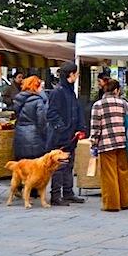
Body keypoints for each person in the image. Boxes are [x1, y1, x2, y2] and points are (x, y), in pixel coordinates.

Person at [89, 79, 128, 212]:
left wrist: (93, 143)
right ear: (117, 90)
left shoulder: (98, 105)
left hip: (106, 142)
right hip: (123, 142)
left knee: (109, 174)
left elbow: (95, 127)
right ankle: (125, 201)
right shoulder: (124, 104)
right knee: (123, 172)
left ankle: (111, 204)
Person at [45, 62, 87, 206]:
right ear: (71, 75)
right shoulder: (58, 91)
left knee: (69, 165)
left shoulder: (69, 91)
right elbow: (51, 113)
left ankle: (68, 193)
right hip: (60, 137)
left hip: (70, 135)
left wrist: (80, 127)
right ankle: (55, 195)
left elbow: (76, 110)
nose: (77, 75)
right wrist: (63, 128)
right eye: (76, 73)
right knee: (59, 166)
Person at [13, 76, 49, 160]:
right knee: (34, 168)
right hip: (34, 139)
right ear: (36, 87)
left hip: (19, 136)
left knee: (22, 167)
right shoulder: (38, 101)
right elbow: (42, 122)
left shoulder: (19, 99)